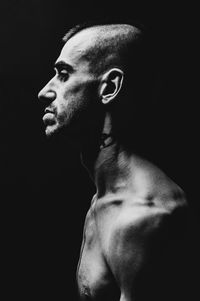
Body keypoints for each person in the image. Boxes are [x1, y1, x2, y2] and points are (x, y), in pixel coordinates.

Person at [38, 22, 190, 301]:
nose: (45, 91)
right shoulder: (104, 198)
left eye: (63, 74)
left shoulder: (144, 217)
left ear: (109, 87)